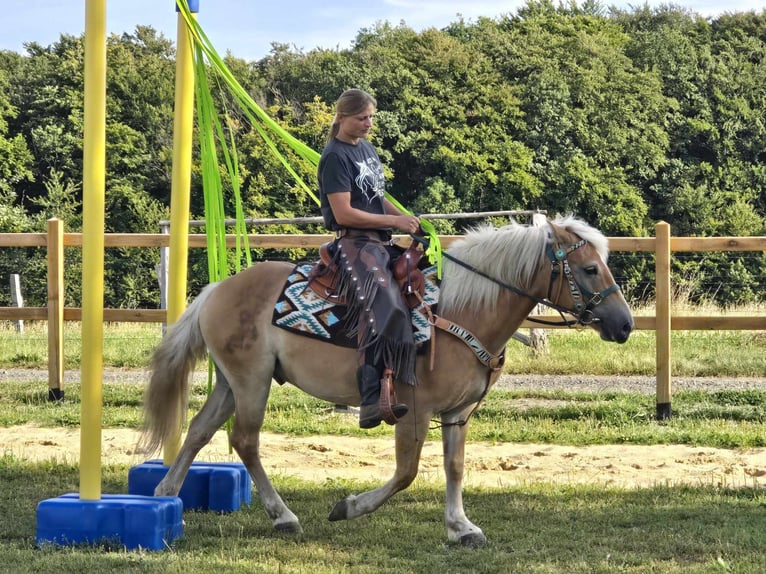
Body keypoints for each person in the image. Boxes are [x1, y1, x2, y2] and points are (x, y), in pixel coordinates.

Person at [318, 88, 421, 429]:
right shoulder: (335, 156)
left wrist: (408, 219)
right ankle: (369, 398)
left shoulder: (366, 149)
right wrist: (394, 222)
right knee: (384, 303)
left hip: (378, 241)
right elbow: (344, 212)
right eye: (361, 118)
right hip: (354, 244)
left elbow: (376, 198)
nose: (368, 124)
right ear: (342, 117)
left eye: (370, 118)